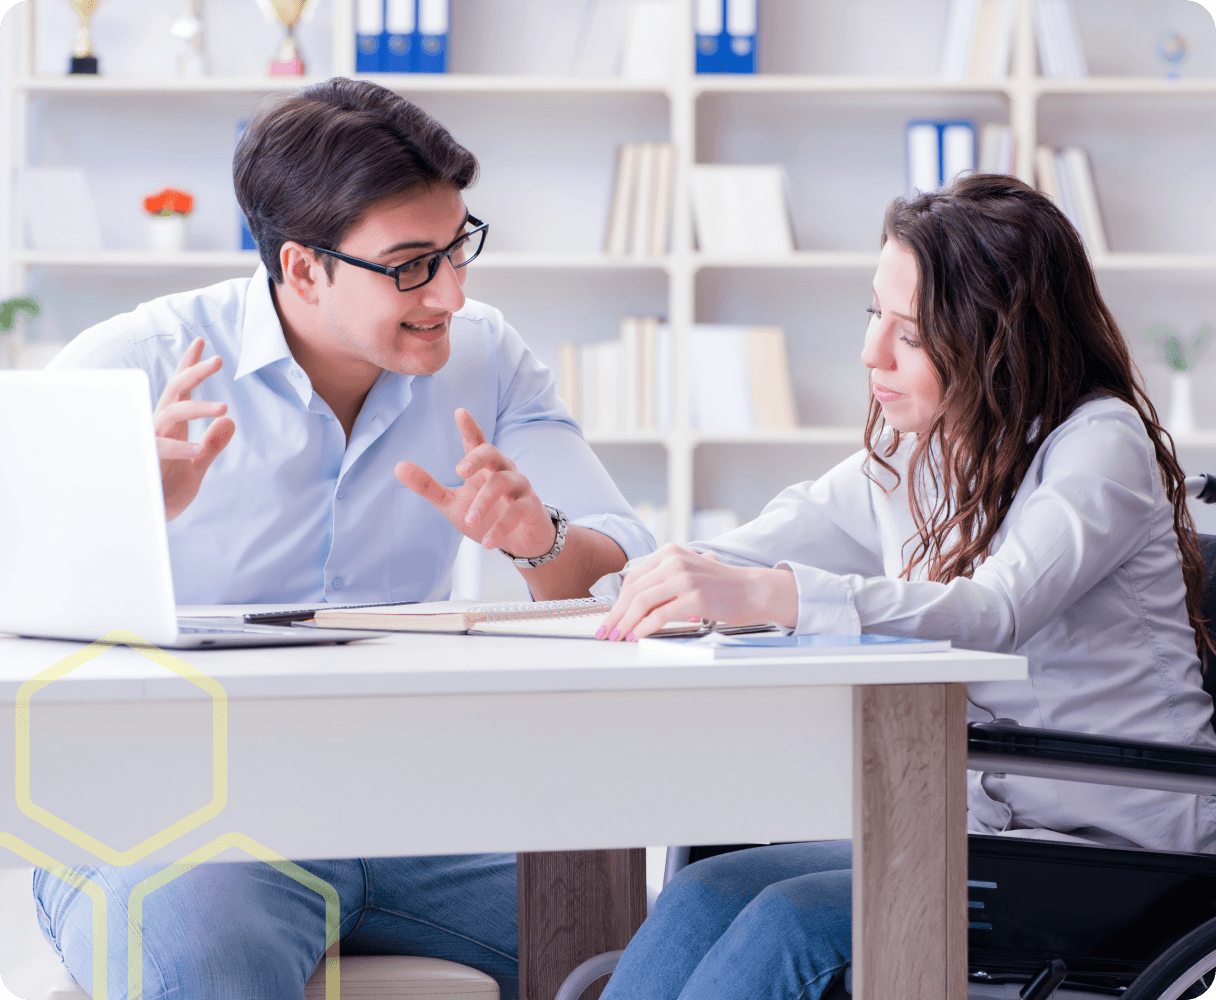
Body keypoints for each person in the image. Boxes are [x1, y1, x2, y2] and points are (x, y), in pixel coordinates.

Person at [34, 78, 653, 1000]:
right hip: (169, 816)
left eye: (457, 249)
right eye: (410, 264)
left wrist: (536, 540)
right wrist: (130, 510)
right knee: (207, 961)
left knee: (660, 949)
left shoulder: (485, 357)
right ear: (304, 267)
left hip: (412, 814)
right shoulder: (136, 365)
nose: (449, 291)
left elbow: (620, 570)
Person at [593, 173, 1216, 1000]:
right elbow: (736, 551)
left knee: (792, 922)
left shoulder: (1100, 445)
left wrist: (766, 594)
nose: (870, 355)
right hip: (981, 844)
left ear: (1001, 339)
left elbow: (992, 612)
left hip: (1118, 861)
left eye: (911, 335)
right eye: (871, 315)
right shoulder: (914, 454)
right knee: (706, 889)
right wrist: (619, 575)